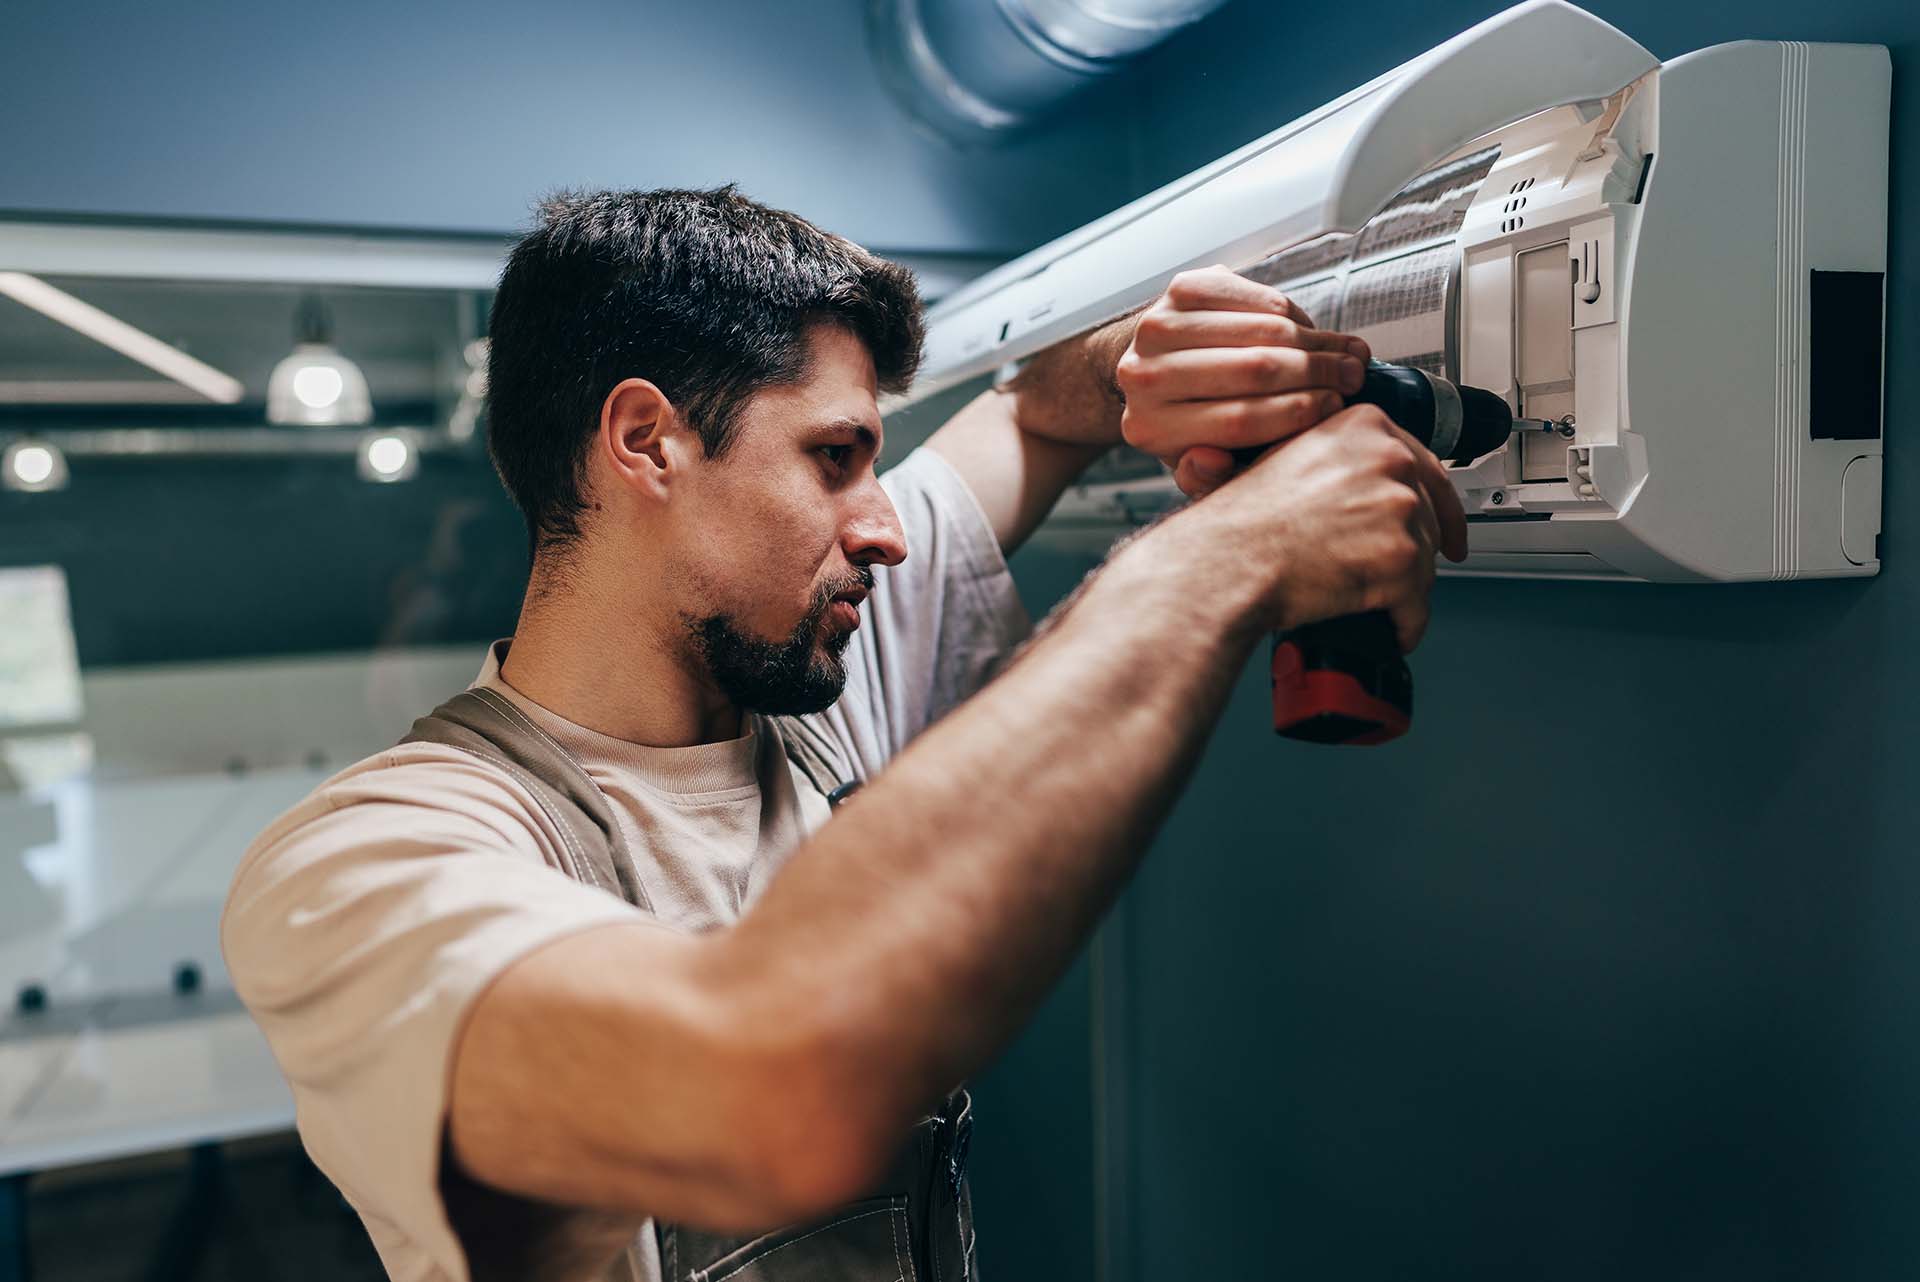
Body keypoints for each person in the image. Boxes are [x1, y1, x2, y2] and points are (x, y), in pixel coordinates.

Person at [222, 186, 1465, 1282]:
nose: (886, 527)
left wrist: (1134, 365)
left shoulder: (815, 689)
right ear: (646, 442)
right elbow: (764, 1088)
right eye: (835, 456)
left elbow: (1034, 417)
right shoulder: (365, 867)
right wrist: (1216, 564)